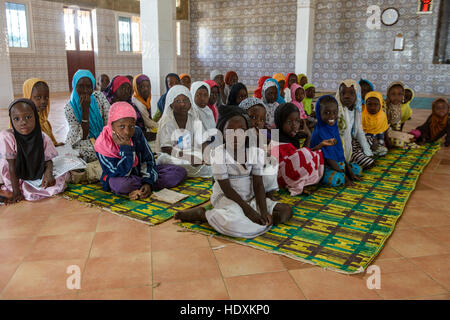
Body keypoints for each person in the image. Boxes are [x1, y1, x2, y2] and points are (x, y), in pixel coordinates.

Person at [175, 106, 292, 238]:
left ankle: (253, 220)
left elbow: (258, 185)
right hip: (228, 198)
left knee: (285, 212)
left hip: (250, 197)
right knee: (234, 224)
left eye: (241, 130)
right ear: (223, 133)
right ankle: (203, 215)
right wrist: (249, 212)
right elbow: (227, 189)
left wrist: (263, 211)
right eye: (230, 131)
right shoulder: (219, 154)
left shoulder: (254, 152)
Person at [94, 102, 186, 199]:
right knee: (120, 185)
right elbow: (118, 172)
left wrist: (148, 183)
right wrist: (126, 148)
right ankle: (147, 184)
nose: (127, 131)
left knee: (179, 171)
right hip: (120, 177)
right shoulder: (102, 144)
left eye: (131, 126)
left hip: (139, 173)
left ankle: (144, 187)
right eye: (121, 126)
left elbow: (148, 159)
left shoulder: (137, 133)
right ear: (111, 125)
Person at [0, 99, 68, 204]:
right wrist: (16, 191)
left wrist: (48, 173)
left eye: (28, 117)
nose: (23, 122)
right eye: (16, 119)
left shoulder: (42, 137)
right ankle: (22, 187)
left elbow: (48, 160)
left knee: (58, 179)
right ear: (12, 121)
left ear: (35, 117)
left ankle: (33, 185)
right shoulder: (7, 137)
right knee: (25, 191)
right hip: (14, 175)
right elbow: (11, 166)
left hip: (35, 171)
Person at [272, 103, 334, 196]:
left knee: (315, 151)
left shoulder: (292, 136)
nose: (294, 125)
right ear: (280, 122)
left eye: (297, 121)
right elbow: (297, 158)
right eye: (289, 122)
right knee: (306, 154)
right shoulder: (276, 136)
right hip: (278, 176)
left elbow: (299, 156)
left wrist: (317, 143)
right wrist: (309, 136)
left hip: (289, 173)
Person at [155, 85, 212, 177]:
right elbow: (166, 148)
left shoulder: (194, 119)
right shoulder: (167, 121)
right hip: (174, 156)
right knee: (163, 159)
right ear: (171, 104)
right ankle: (197, 171)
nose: (182, 104)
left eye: (185, 100)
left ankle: (194, 170)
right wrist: (188, 158)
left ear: (190, 103)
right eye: (178, 101)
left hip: (192, 155)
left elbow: (203, 141)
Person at [310, 95, 362, 187]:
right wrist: (345, 176)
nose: (332, 116)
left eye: (335, 112)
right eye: (327, 113)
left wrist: (348, 169)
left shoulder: (333, 128)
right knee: (337, 179)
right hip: (323, 166)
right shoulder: (320, 132)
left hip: (336, 162)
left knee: (357, 169)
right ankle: (339, 174)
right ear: (319, 113)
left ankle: (342, 170)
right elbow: (328, 159)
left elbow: (339, 151)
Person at [64, 69, 110, 163]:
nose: (85, 91)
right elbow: (82, 136)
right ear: (74, 86)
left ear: (93, 86)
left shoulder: (99, 97)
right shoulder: (69, 107)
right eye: (80, 86)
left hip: (103, 136)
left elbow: (108, 120)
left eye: (88, 86)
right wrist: (85, 111)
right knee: (76, 151)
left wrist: (104, 139)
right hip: (84, 140)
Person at [336, 79, 374, 169]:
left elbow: (359, 131)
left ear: (357, 95)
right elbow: (343, 138)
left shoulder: (356, 110)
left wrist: (367, 151)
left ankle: (359, 154)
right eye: (343, 93)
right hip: (341, 145)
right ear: (339, 95)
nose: (347, 96)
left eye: (351, 93)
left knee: (370, 139)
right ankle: (356, 157)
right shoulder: (338, 112)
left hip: (352, 141)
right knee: (369, 163)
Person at [23, 78, 62, 146]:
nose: (43, 101)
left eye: (46, 97)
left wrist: (55, 145)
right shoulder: (22, 121)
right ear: (28, 96)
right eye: (38, 97)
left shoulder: (43, 120)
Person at [362, 91, 389, 157]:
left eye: (376, 104)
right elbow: (359, 133)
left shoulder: (382, 115)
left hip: (379, 136)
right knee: (364, 147)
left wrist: (387, 140)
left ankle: (373, 151)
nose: (372, 107)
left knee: (383, 149)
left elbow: (384, 129)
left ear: (380, 104)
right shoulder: (362, 116)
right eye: (369, 104)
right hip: (366, 138)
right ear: (365, 104)